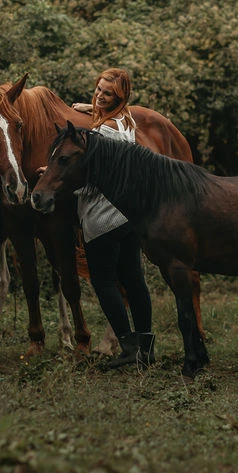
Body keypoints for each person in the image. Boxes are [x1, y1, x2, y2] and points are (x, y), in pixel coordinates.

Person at [71, 68, 154, 370]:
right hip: (128, 216)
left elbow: (91, 182)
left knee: (105, 282)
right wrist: (91, 107)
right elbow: (106, 116)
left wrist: (52, 178)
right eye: (98, 89)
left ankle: (128, 347)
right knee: (134, 280)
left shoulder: (102, 133)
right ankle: (146, 348)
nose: (100, 96)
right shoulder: (126, 121)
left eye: (107, 94)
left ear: (119, 97)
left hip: (103, 219)